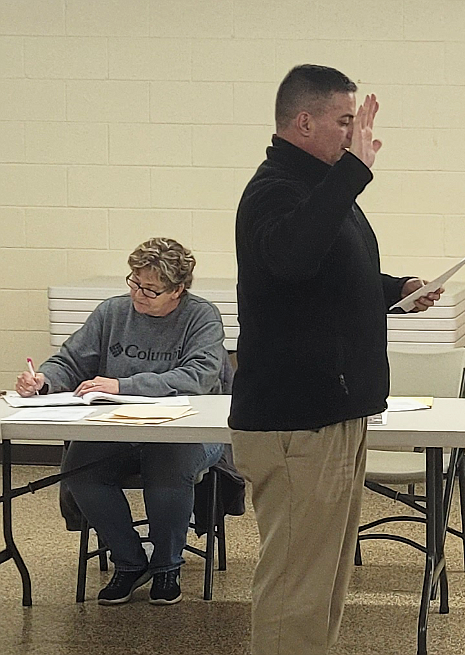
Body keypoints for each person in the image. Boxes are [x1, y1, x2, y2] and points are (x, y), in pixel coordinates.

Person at [230, 64, 441, 654]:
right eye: (344, 122)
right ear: (303, 122)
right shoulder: (276, 188)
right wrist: (353, 174)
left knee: (325, 582)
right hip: (298, 421)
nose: (356, 136)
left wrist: (396, 288)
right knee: (296, 585)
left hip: (337, 412)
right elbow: (293, 259)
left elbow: (332, 274)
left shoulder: (322, 188)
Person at [15, 237, 227, 606]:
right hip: (118, 426)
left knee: (168, 465)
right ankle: (129, 561)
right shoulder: (111, 313)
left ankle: (166, 567)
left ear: (177, 290)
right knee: (79, 469)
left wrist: (123, 385)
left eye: (150, 289)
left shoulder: (201, 317)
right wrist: (43, 380)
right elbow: (71, 360)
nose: (139, 294)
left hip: (187, 429)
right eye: (134, 282)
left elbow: (198, 377)